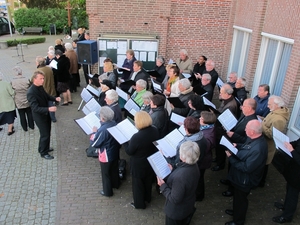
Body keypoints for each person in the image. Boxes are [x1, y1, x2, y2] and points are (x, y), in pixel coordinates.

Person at [224, 120, 267, 225]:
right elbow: (245, 146)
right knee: (238, 198)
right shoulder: (254, 138)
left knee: (241, 200)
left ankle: (238, 221)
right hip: (240, 177)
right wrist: (237, 145)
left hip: (245, 180)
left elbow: (247, 168)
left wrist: (231, 158)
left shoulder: (258, 149)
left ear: (252, 132)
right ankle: (236, 212)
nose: (244, 129)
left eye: (246, 128)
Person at [221, 98, 258, 197]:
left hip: (240, 148)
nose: (241, 108)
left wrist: (233, 135)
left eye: (244, 106)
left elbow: (248, 140)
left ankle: (232, 188)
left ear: (250, 108)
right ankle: (229, 180)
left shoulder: (252, 121)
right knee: (231, 166)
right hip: (235, 145)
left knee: (235, 167)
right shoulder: (244, 115)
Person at [157, 141, 200, 225]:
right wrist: (173, 170)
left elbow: (174, 199)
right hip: (188, 205)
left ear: (182, 157)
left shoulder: (180, 177)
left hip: (176, 212)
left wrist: (162, 186)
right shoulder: (194, 165)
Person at [124, 111, 160, 209]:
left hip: (138, 164)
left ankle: (139, 204)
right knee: (148, 182)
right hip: (149, 161)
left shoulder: (137, 137)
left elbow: (129, 151)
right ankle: (147, 198)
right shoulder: (154, 130)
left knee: (138, 185)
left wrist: (124, 141)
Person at [27, 71, 61, 160]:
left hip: (45, 114)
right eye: (41, 79)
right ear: (35, 79)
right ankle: (43, 152)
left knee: (47, 132)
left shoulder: (40, 87)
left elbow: (46, 96)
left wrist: (55, 98)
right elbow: (35, 108)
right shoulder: (31, 92)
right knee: (44, 134)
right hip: (39, 117)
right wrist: (48, 109)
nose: (43, 80)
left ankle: (45, 147)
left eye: (43, 78)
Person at [90, 106, 120, 197]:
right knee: (114, 169)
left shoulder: (103, 130)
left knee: (105, 174)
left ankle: (107, 192)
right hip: (114, 151)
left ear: (102, 118)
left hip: (106, 154)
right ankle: (116, 184)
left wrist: (94, 133)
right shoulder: (114, 123)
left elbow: (95, 143)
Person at [261, 95, 290, 187]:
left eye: (269, 104)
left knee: (263, 165)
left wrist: (261, 126)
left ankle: (261, 182)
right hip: (263, 143)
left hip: (268, 146)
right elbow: (267, 122)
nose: (267, 106)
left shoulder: (279, 119)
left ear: (276, 105)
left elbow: (271, 134)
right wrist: (261, 119)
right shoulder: (274, 111)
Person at [272, 139, 300, 224]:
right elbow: (297, 142)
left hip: (298, 177)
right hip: (294, 171)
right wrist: (288, 144)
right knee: (289, 189)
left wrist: (292, 150)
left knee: (293, 195)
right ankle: (286, 206)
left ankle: (287, 216)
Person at [211, 84, 239, 171]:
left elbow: (223, 117)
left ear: (227, 94)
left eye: (221, 93)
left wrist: (214, 114)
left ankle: (220, 164)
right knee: (218, 146)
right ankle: (217, 159)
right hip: (220, 128)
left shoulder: (231, 105)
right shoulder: (226, 100)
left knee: (221, 147)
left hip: (223, 130)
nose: (220, 94)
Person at [11, 66, 34, 132]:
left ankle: (25, 128)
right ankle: (31, 125)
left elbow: (12, 91)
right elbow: (30, 87)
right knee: (29, 113)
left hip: (18, 100)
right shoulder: (26, 79)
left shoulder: (12, 81)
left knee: (21, 114)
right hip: (27, 98)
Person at [35, 56, 57, 122]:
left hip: (43, 91)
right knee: (51, 105)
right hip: (51, 90)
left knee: (44, 107)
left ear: (38, 63)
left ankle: (46, 119)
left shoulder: (38, 71)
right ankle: (53, 118)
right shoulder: (49, 69)